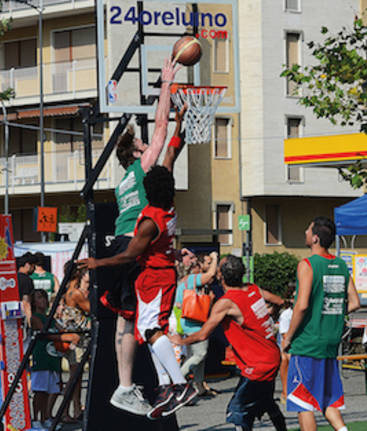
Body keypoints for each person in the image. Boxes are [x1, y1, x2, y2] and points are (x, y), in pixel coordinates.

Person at [98, 57, 187, 416]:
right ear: (137, 153)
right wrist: (166, 84)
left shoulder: (124, 184)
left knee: (128, 318)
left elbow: (170, 146)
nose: (149, 145)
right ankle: (165, 383)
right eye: (143, 145)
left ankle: (133, 385)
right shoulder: (142, 165)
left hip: (121, 238)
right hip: (134, 248)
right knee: (148, 322)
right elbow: (162, 131)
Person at [79, 166, 197, 420]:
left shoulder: (148, 221)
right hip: (158, 275)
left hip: (155, 278)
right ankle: (166, 385)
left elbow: (129, 254)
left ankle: (181, 385)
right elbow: (167, 160)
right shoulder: (169, 208)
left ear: (147, 190)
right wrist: (176, 133)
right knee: (147, 333)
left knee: (152, 331)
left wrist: (97, 263)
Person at [170, 255, 287, 431]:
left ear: (221, 277)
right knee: (266, 402)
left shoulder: (227, 303)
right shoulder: (253, 289)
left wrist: (180, 340)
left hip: (257, 365)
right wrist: (268, 319)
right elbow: (279, 301)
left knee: (237, 412)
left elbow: (202, 335)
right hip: (271, 355)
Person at [281, 216, 360, 431]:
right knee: (326, 398)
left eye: (307, 229)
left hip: (308, 341)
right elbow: (355, 302)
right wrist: (333, 312)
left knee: (303, 401)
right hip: (330, 341)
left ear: (315, 238)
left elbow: (302, 305)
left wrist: (288, 337)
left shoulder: (307, 265)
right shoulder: (341, 264)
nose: (304, 232)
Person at [30, 289, 79, 430]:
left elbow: (61, 329)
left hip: (53, 356)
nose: (43, 301)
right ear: (33, 302)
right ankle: (36, 419)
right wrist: (65, 337)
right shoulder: (35, 317)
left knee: (53, 389)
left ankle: (46, 417)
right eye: (39, 298)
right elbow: (46, 334)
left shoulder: (50, 318)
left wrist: (69, 332)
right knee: (40, 391)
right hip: (42, 357)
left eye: (44, 297)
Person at [174, 251, 218, 397]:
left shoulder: (185, 280)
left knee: (198, 355)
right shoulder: (194, 278)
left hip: (188, 321)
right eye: (205, 263)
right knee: (200, 353)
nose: (208, 266)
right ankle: (177, 380)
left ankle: (199, 386)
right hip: (195, 323)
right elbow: (211, 275)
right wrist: (215, 257)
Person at [56, 264, 91, 423]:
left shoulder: (66, 291)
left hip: (73, 336)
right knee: (74, 376)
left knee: (75, 377)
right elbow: (92, 309)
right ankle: (64, 411)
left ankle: (76, 408)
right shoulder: (76, 293)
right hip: (78, 337)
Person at [277, 282, 295, 403]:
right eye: (294, 297)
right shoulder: (286, 314)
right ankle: (285, 391)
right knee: (285, 358)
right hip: (288, 344)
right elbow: (285, 336)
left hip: (301, 344)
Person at [17, 252, 35, 325]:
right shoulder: (27, 280)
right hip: (22, 318)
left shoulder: (13, 278)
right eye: (33, 266)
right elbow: (26, 302)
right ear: (27, 265)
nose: (34, 269)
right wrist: (30, 323)